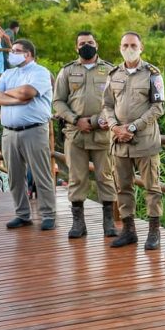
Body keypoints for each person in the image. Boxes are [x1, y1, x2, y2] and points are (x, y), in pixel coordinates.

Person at [102, 31, 165, 250]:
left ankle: (154, 232)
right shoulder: (113, 74)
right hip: (119, 142)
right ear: (120, 47)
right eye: (125, 44)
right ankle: (129, 231)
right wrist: (114, 127)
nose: (129, 48)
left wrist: (132, 127)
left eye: (133, 44)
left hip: (145, 141)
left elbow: (158, 107)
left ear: (141, 47)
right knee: (123, 187)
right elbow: (107, 105)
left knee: (152, 187)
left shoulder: (152, 74)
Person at [53, 31, 118, 239]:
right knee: (76, 178)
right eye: (82, 43)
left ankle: (109, 222)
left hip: (102, 134)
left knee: (105, 178)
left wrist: (103, 119)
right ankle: (78, 223)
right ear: (76, 47)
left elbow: (118, 101)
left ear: (97, 45)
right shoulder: (67, 71)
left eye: (90, 42)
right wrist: (74, 119)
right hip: (75, 134)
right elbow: (58, 101)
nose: (86, 46)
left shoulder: (110, 71)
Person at [0, 39, 56, 230]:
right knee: (14, 175)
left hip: (33, 130)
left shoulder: (40, 72)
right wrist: (16, 99)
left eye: (16, 51)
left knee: (40, 173)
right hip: (9, 132)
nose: (12, 53)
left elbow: (28, 92)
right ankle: (22, 214)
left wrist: (9, 94)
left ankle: (48, 214)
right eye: (12, 50)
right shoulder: (8, 73)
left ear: (27, 54)